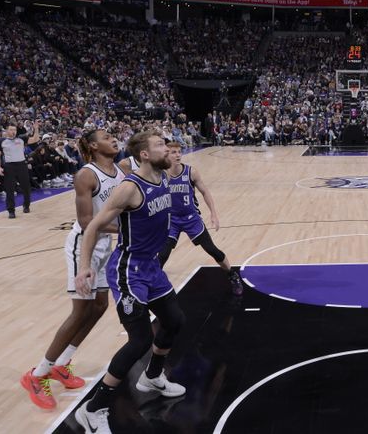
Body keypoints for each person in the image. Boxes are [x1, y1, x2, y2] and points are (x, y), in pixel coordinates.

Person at [74, 132, 185, 433]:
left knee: (174, 321)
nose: (170, 149)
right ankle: (93, 409)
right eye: (162, 146)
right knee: (139, 341)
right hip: (128, 271)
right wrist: (85, 267)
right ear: (145, 155)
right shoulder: (129, 188)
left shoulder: (162, 177)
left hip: (151, 268)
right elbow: (93, 225)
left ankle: (152, 376)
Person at [20, 129, 124, 410]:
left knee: (99, 306)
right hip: (84, 245)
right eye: (105, 136)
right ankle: (37, 373)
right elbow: (87, 220)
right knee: (80, 311)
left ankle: (62, 363)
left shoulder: (119, 171)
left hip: (105, 243)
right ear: (92, 145)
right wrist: (129, 228)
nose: (113, 138)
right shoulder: (86, 175)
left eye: (113, 135)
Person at [157, 141, 243, 295]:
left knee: (212, 250)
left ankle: (232, 275)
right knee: (162, 255)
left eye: (179, 152)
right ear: (166, 154)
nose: (177, 155)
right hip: (171, 220)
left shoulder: (191, 172)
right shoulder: (160, 174)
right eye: (173, 152)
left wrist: (213, 213)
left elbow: (205, 192)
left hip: (191, 219)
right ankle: (153, 284)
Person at [0, 121, 40, 218]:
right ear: (7, 130)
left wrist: (36, 128)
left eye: (15, 130)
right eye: (11, 130)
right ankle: (11, 211)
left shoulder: (21, 139)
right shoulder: (1, 141)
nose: (13, 132)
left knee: (26, 188)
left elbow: (35, 139)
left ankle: (26, 205)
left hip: (22, 165)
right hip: (9, 166)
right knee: (10, 190)